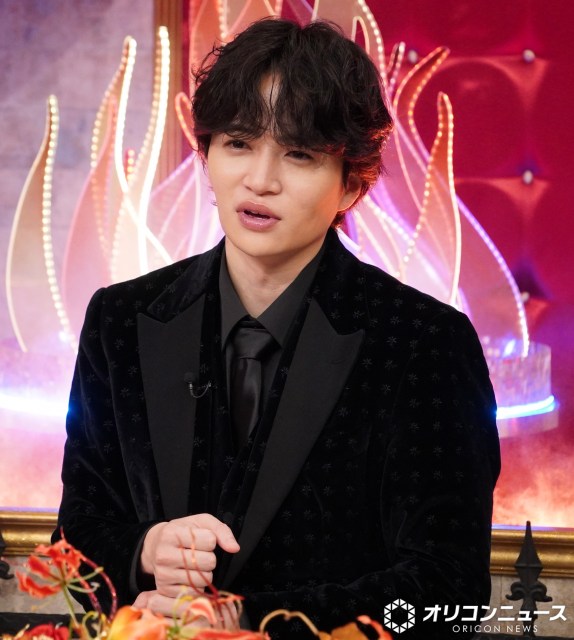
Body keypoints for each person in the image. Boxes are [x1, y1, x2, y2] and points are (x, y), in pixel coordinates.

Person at [54, 17, 500, 639]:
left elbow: (449, 592)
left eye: (299, 153)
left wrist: (246, 619)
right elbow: (74, 546)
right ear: (206, 151)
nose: (260, 180)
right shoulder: (121, 320)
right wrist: (145, 553)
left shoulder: (423, 341)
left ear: (351, 183)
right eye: (238, 142)